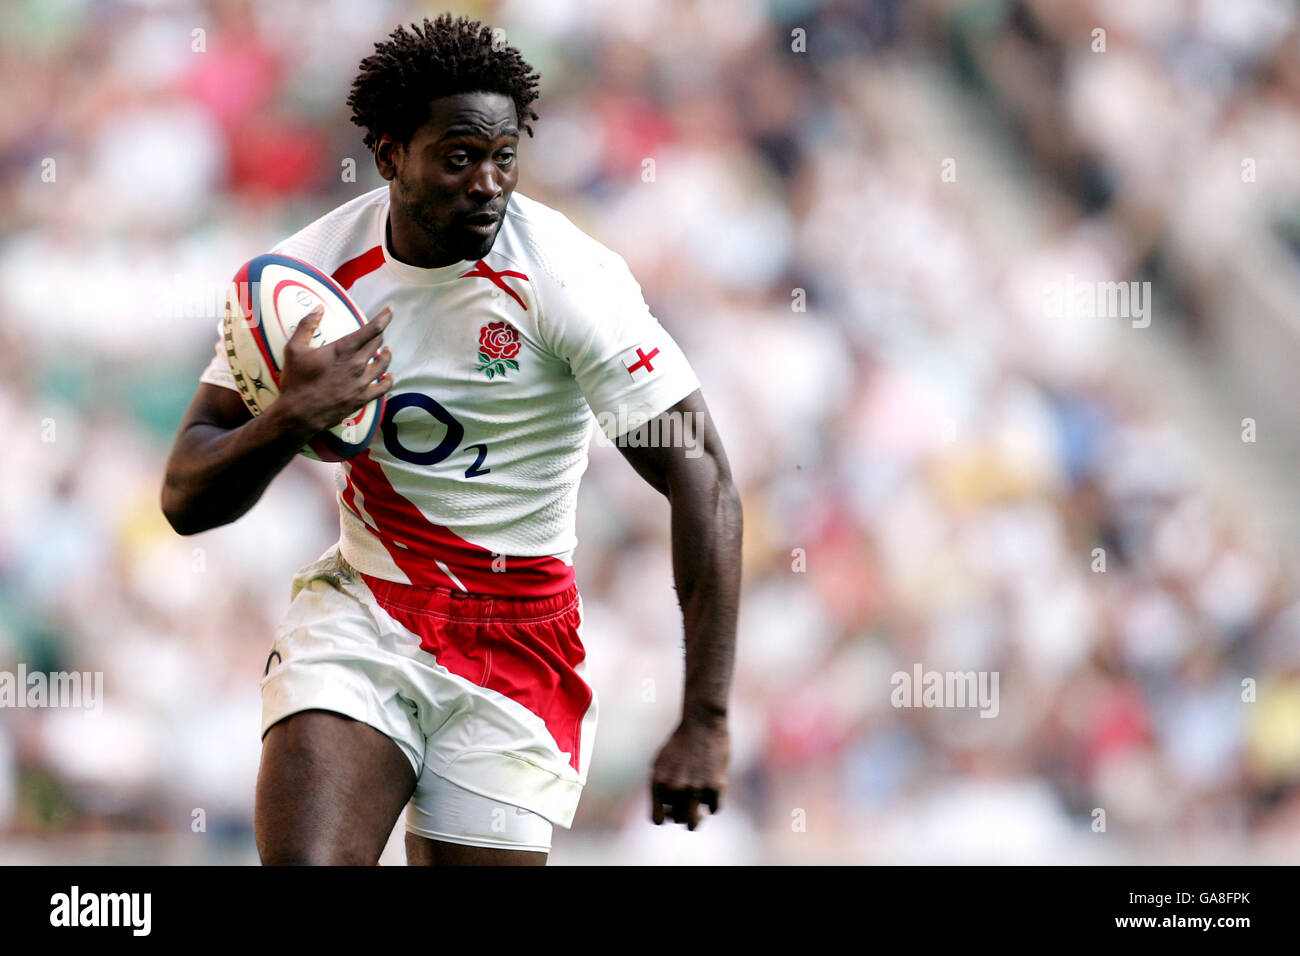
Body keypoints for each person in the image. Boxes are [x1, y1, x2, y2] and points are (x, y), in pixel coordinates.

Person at [160, 14, 742, 866]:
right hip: (366, 610)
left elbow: (707, 481)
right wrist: (288, 418)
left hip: (520, 638)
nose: (488, 183)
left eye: (504, 157)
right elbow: (184, 495)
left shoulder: (569, 280)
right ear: (390, 152)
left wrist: (706, 719)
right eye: (459, 156)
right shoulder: (307, 281)